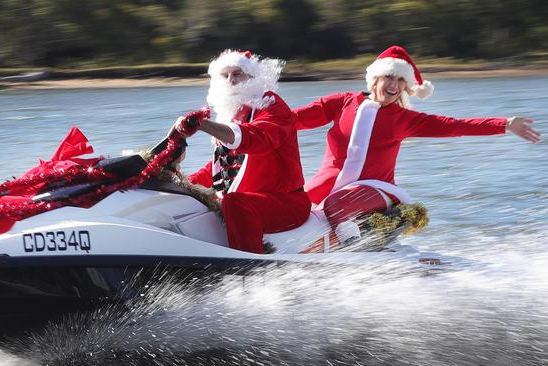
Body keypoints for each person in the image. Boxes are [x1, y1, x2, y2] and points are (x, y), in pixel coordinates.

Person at [293, 45, 541, 243]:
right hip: (331, 182)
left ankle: (354, 250)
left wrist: (504, 123)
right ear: (375, 78)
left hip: (376, 188)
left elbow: (455, 125)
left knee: (336, 206)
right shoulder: (343, 102)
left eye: (401, 81)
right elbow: (291, 120)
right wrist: (257, 112)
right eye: (389, 77)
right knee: (293, 204)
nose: (394, 85)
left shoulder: (404, 119)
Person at [170, 49, 311, 253]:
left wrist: (203, 125)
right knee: (188, 202)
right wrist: (181, 184)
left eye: (237, 74)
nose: (230, 80)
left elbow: (258, 138)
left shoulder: (271, 104)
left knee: (234, 202)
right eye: (224, 75)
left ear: (253, 78)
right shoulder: (231, 114)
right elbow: (223, 166)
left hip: (286, 203)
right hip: (245, 203)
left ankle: (249, 272)